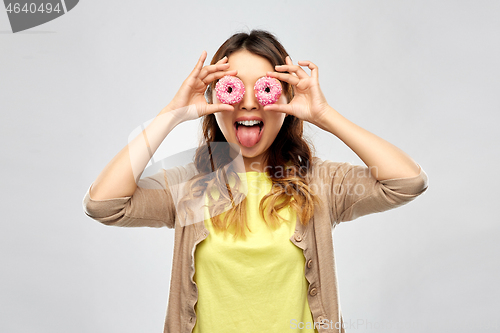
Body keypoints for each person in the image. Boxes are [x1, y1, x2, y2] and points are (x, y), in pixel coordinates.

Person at [82, 30, 429, 333]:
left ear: (287, 99)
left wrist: (326, 115)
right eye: (232, 89)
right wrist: (171, 114)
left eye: (264, 89)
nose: (248, 102)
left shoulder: (320, 182)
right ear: (213, 100)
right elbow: (104, 204)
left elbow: (406, 181)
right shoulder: (189, 186)